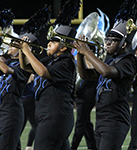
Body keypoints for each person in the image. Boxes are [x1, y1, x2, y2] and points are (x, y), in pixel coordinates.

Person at [74, 6, 137, 149]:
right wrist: (80, 53)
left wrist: (87, 51)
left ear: (124, 44)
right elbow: (85, 75)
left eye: (112, 40)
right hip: (102, 119)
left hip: (115, 120)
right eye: (107, 39)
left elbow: (107, 72)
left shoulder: (129, 61)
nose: (107, 42)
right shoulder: (110, 61)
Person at [19, 24, 77, 150]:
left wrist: (27, 51)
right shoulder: (51, 60)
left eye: (54, 41)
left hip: (55, 118)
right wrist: (22, 51)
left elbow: (42, 72)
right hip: (50, 118)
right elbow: (26, 67)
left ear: (63, 48)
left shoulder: (66, 62)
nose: (49, 43)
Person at [20, 74, 37, 150]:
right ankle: (29, 146)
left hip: (24, 100)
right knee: (35, 125)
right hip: (28, 99)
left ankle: (15, 143)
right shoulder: (24, 72)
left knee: (21, 125)